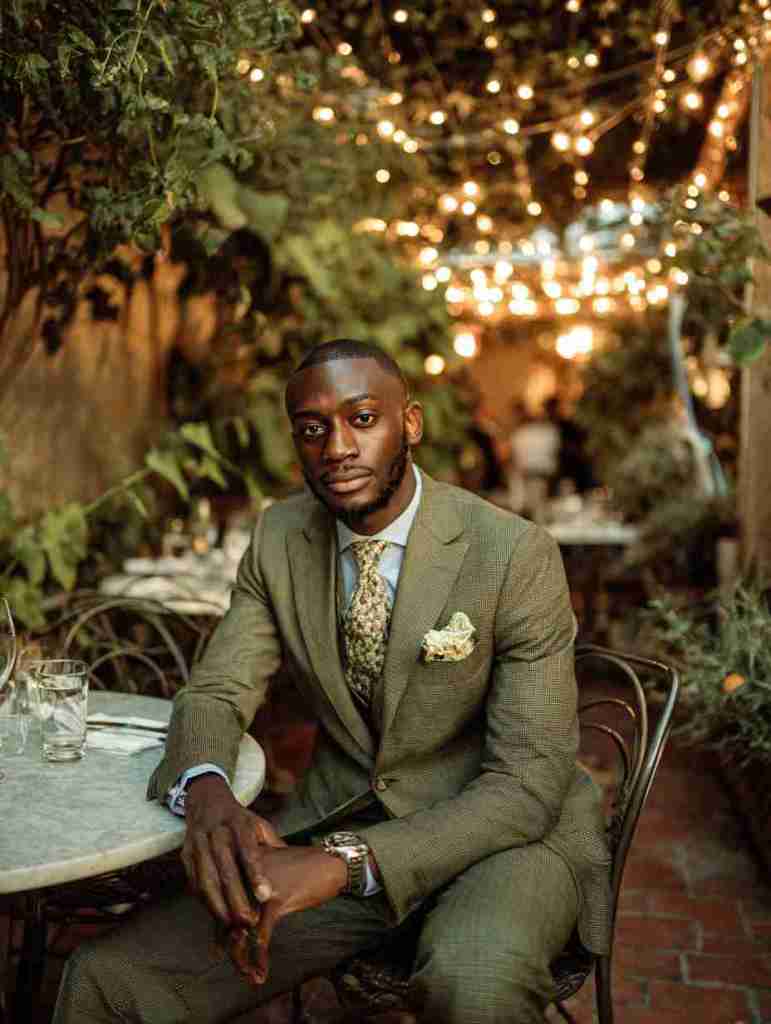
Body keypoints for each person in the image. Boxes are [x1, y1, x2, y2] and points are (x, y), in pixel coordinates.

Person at [54, 339, 611, 1024]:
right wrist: (203, 786)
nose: (336, 446)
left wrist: (346, 863)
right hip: (343, 819)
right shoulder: (280, 536)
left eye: (362, 418)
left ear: (409, 423)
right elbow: (217, 691)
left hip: (506, 841)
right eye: (312, 428)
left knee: (474, 983)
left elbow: (528, 782)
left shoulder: (511, 553)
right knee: (111, 977)